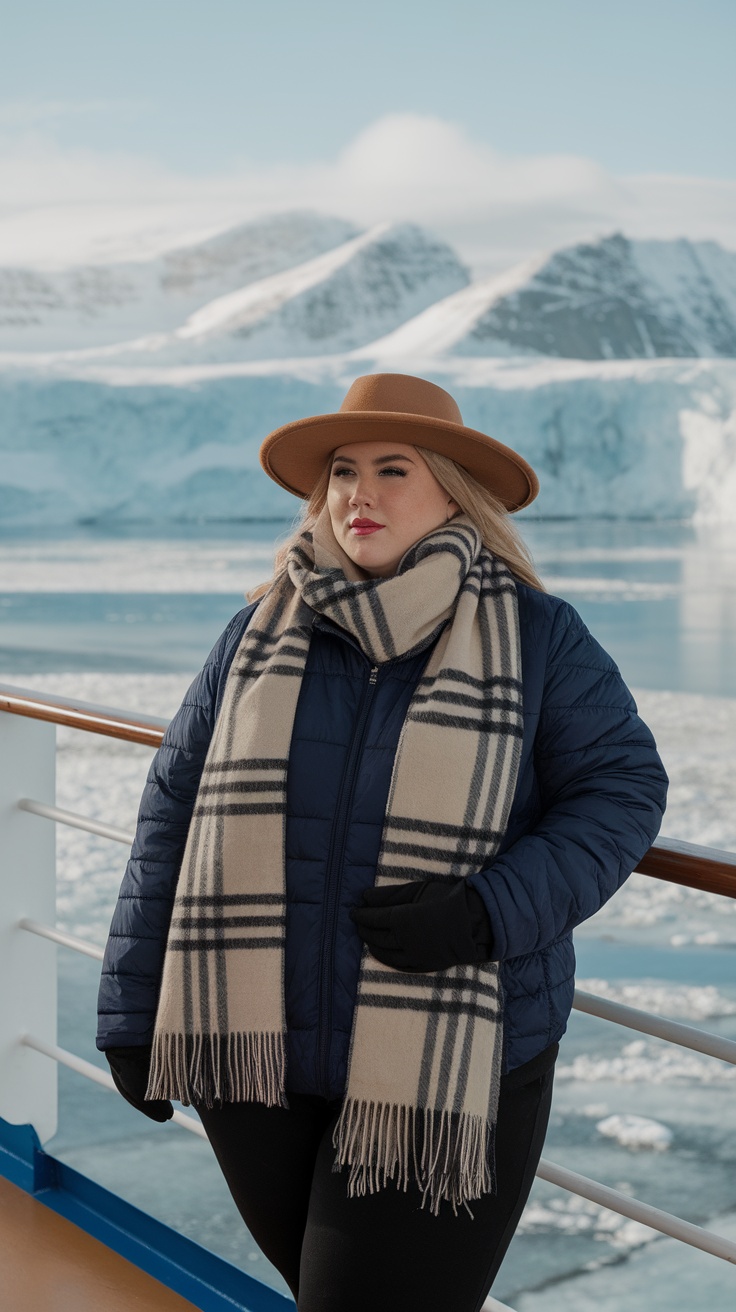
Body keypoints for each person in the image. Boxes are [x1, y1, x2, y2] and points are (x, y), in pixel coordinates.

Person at [97, 373, 668, 1312]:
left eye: (392, 470)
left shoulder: (537, 636)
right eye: (342, 473)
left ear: (453, 490)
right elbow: (172, 813)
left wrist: (489, 913)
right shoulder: (256, 632)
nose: (359, 495)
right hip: (255, 1060)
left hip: (447, 1067)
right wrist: (129, 1013)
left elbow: (621, 790)